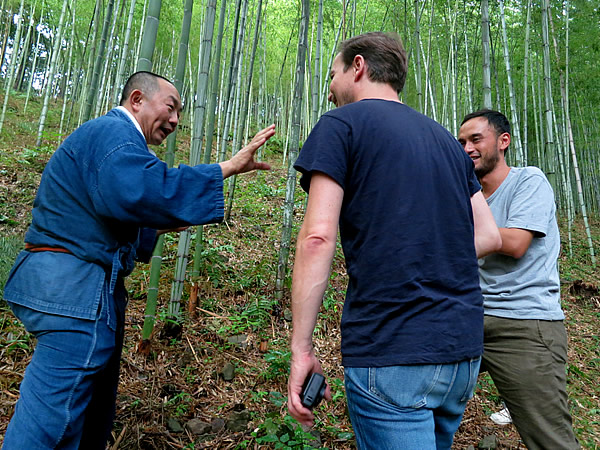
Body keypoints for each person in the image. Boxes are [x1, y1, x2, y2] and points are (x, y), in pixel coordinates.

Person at [2, 71, 275, 449]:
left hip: (66, 288)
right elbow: (146, 192)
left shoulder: (108, 142)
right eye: (171, 106)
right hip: (74, 294)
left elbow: (126, 215)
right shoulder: (116, 136)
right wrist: (225, 168)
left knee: (78, 419)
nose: (176, 119)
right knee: (51, 424)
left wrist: (169, 220)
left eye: (180, 111)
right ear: (137, 100)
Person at [286, 32, 501, 449]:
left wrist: (301, 350)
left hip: (392, 349)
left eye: (333, 74)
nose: (330, 88)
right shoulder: (445, 140)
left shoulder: (340, 126)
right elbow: (488, 235)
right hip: (461, 350)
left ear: (358, 66)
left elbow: (317, 236)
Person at [457, 109, 579, 449]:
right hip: (469, 315)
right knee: (423, 397)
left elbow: (515, 243)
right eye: (461, 141)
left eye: (476, 139)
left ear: (503, 141)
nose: (467, 148)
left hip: (524, 322)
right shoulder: (466, 195)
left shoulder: (528, 181)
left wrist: (445, 243)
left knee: (549, 439)